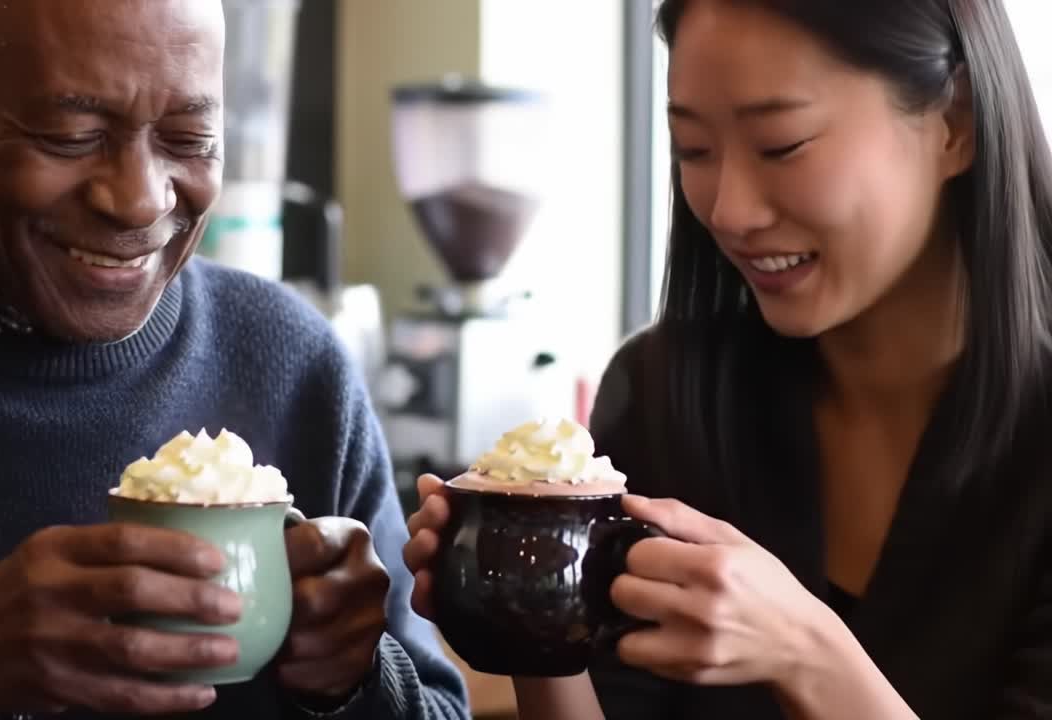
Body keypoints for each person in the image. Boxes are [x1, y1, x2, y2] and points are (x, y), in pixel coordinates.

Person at [0, 1, 469, 718]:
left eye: (190, 137)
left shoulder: (294, 365)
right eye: (71, 136)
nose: (139, 200)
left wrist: (354, 678)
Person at [405, 0, 1052, 717]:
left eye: (782, 144)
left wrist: (806, 651)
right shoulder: (665, 396)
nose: (730, 210)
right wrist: (530, 617)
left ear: (954, 123)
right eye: (693, 151)